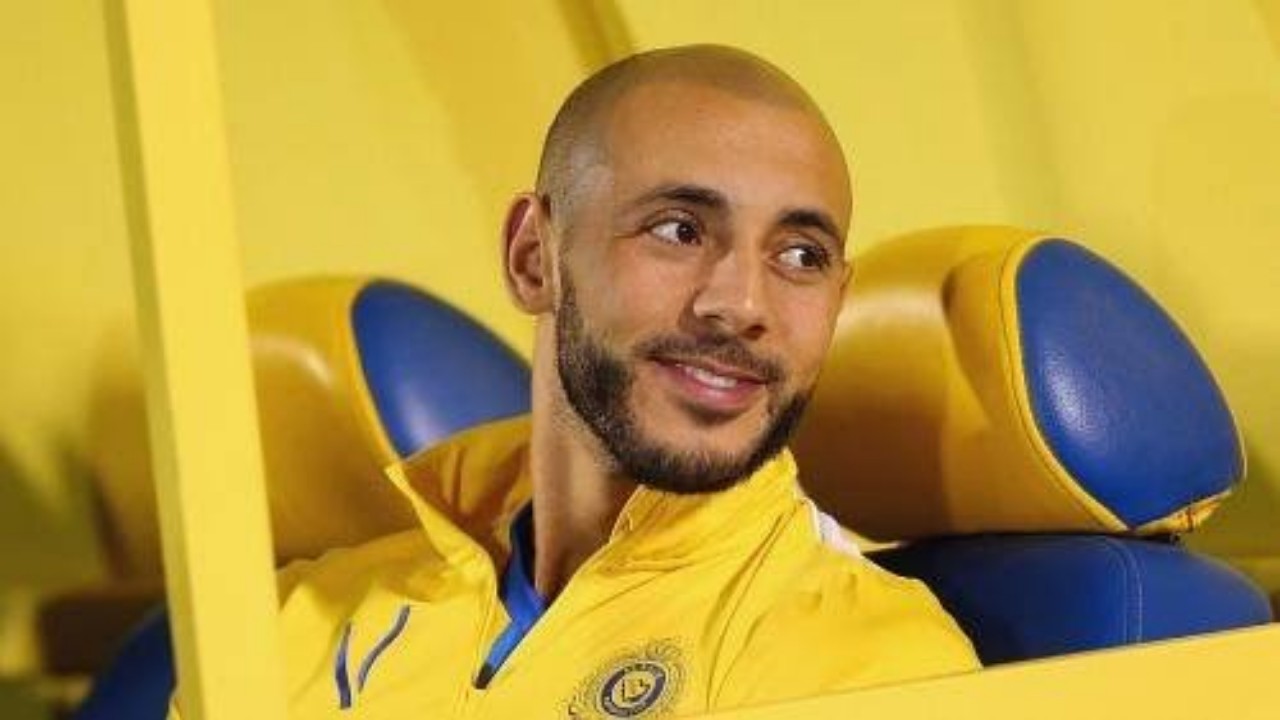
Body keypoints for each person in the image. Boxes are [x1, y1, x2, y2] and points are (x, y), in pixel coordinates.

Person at [171, 44, 978, 719]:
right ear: (535, 259)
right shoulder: (297, 630)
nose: (741, 305)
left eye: (801, 255)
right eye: (679, 230)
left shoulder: (869, 668)